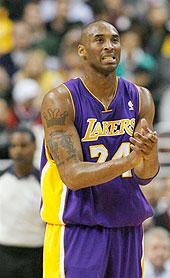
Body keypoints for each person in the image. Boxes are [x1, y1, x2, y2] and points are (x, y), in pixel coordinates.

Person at [40, 20, 159, 278]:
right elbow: (72, 176)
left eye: (115, 40)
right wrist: (129, 161)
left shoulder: (141, 97)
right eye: (100, 40)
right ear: (82, 51)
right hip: (77, 228)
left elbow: (145, 174)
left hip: (126, 225)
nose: (109, 46)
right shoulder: (60, 100)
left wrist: (148, 154)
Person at [0, 126, 45, 277]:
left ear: (34, 147)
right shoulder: (2, 178)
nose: (18, 151)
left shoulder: (44, 183)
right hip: (4, 253)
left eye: (23, 145)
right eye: (14, 146)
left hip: (34, 254)